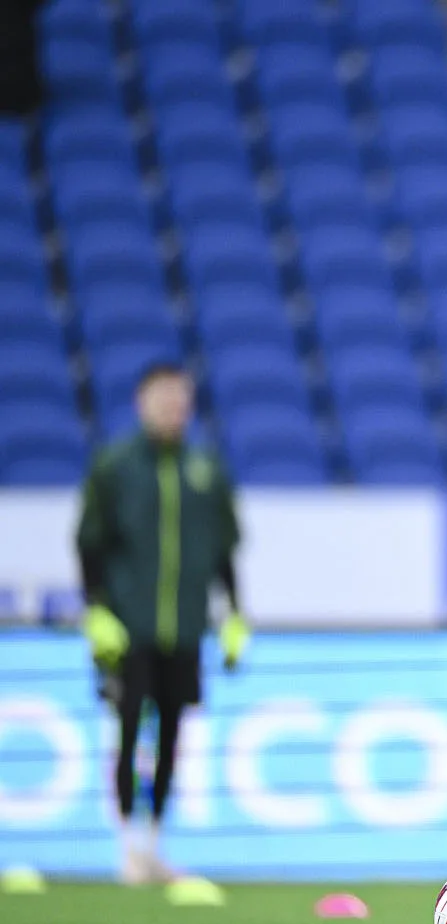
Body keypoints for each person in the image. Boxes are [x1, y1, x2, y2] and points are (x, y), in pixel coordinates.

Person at [75, 362, 249, 884]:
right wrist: (96, 610)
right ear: (142, 402)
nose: (174, 408)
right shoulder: (116, 466)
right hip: (130, 626)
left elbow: (223, 551)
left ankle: (153, 846)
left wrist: (233, 613)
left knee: (173, 732)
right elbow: (89, 544)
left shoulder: (205, 470)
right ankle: (127, 847)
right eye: (164, 398)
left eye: (181, 399)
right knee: (129, 727)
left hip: (186, 627)